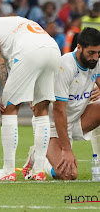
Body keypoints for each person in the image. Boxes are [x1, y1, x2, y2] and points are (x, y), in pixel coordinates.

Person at [0, 16, 61, 181]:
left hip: (29, 52)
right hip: (53, 50)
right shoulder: (13, 23)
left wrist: (6, 94)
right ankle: (39, 171)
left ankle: (8, 171)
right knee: (41, 111)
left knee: (9, 109)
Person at [23, 27, 100, 180]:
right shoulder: (65, 66)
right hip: (51, 127)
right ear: (79, 47)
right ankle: (39, 155)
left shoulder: (96, 62)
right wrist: (67, 149)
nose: (95, 58)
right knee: (68, 175)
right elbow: (59, 111)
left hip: (76, 119)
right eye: (91, 53)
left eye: (99, 53)